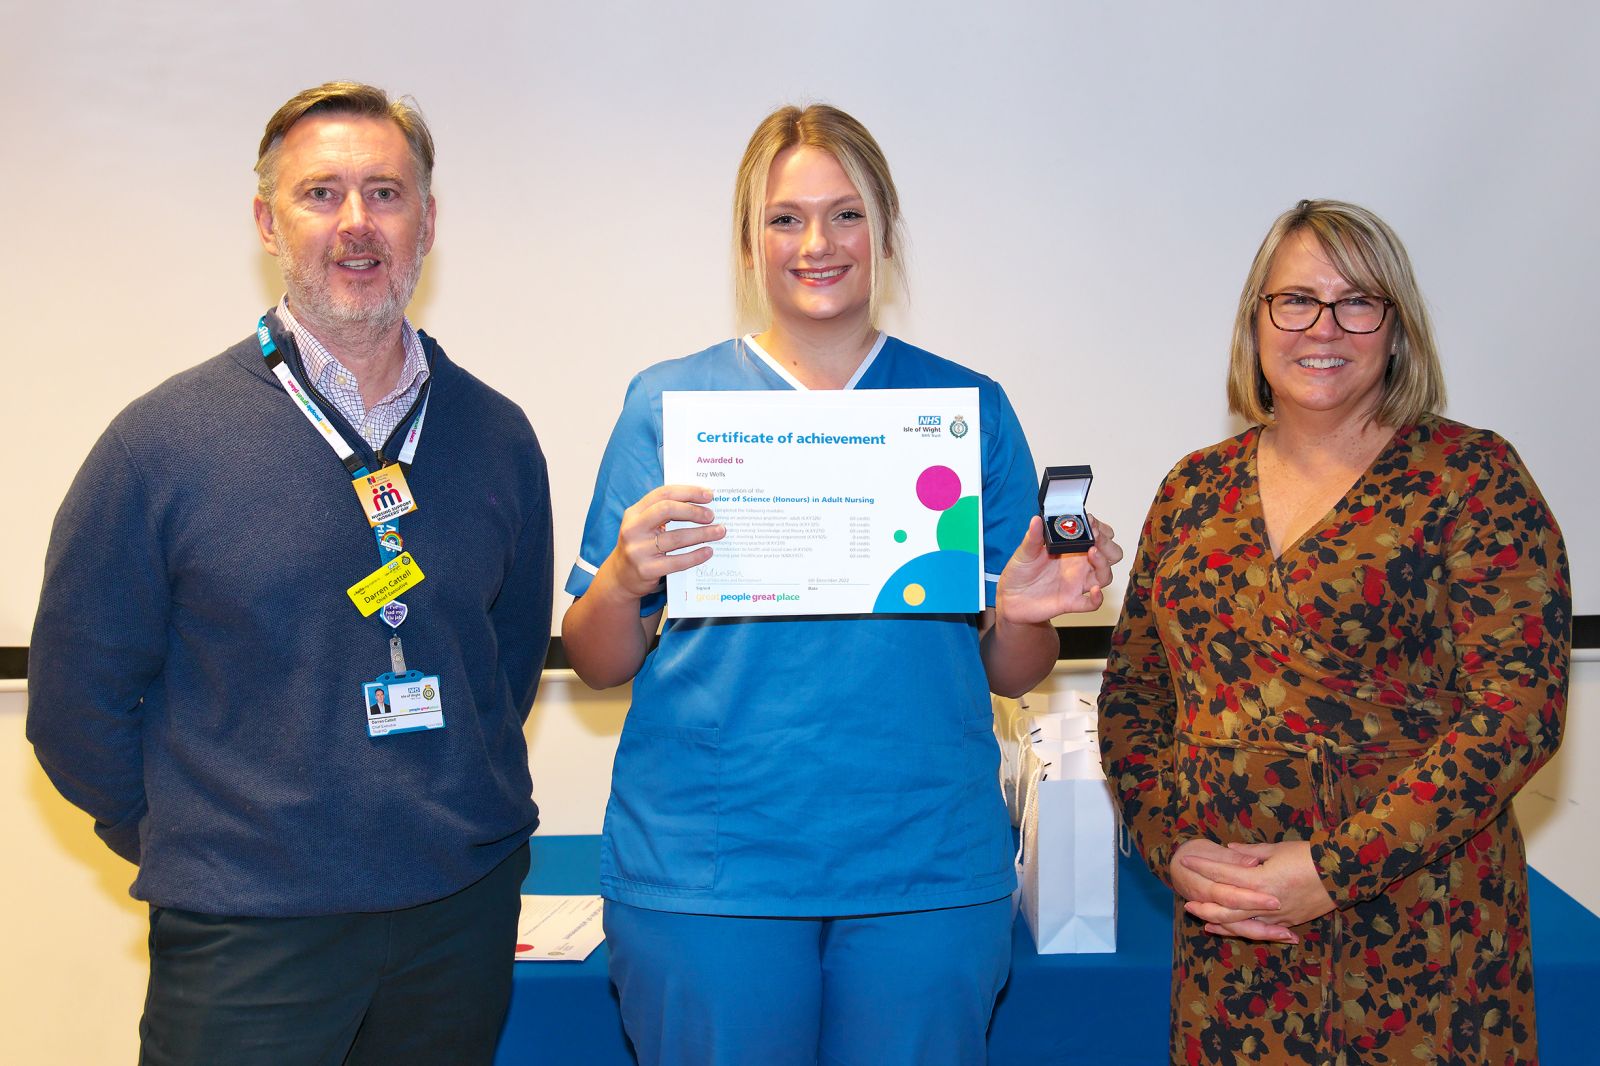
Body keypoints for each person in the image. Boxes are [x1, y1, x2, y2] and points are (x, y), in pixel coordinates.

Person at [561, 103, 1122, 1066]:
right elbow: (596, 659)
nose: (816, 244)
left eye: (846, 214)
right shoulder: (669, 405)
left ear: (887, 236)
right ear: (749, 245)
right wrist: (619, 578)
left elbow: (1009, 669)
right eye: (785, 219)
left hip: (922, 862)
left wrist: (1028, 613)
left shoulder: (964, 409)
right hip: (713, 866)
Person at [27, 82, 553, 1065]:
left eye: (386, 193)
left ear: (428, 222)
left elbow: (504, 667)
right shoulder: (162, 444)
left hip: (456, 921)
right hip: (249, 935)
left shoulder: (497, 435)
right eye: (322, 194)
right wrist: (204, 837)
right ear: (268, 221)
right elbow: (74, 704)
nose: (356, 223)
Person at [1098, 199, 1569, 1065]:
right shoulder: (1192, 492)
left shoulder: (1473, 479)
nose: (1325, 326)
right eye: (1297, 300)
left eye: (1358, 302)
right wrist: (1174, 846)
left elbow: (1517, 713)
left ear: (1396, 326)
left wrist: (1331, 873)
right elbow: (1134, 694)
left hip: (1422, 945)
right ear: (1258, 321)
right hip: (1236, 942)